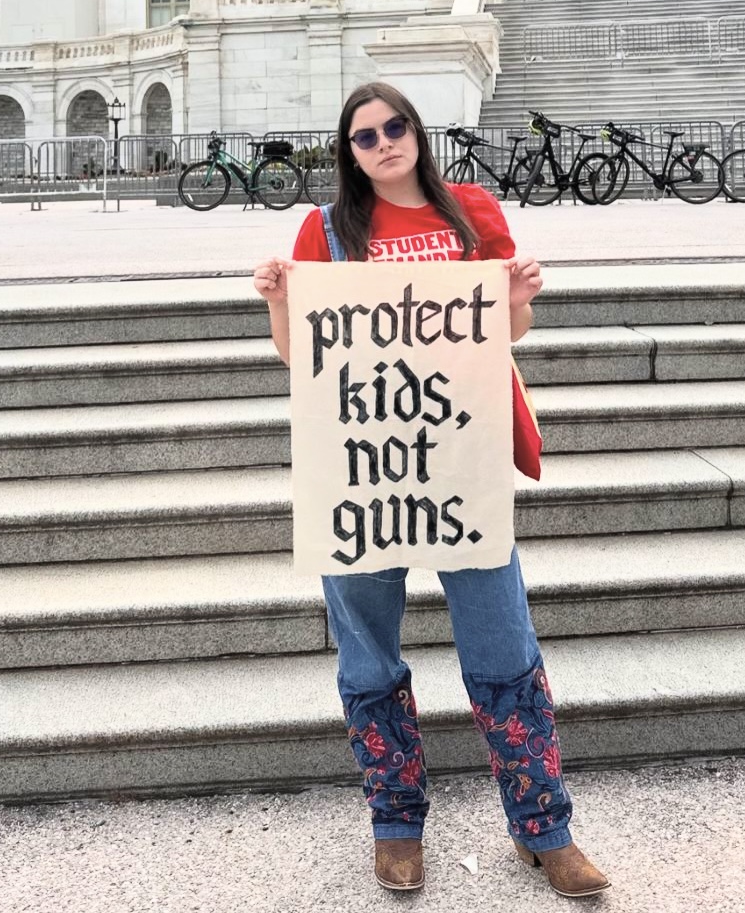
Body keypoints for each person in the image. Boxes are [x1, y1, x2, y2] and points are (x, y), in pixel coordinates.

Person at [252, 82, 608, 899]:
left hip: (463, 458)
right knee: (368, 654)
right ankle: (396, 825)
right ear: (349, 152)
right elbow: (300, 354)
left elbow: (504, 332)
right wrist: (279, 301)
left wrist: (516, 300)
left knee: (504, 646)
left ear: (417, 132)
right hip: (362, 469)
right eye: (364, 135)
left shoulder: (472, 210)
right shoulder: (325, 230)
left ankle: (544, 828)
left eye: (395, 126)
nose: (382, 143)